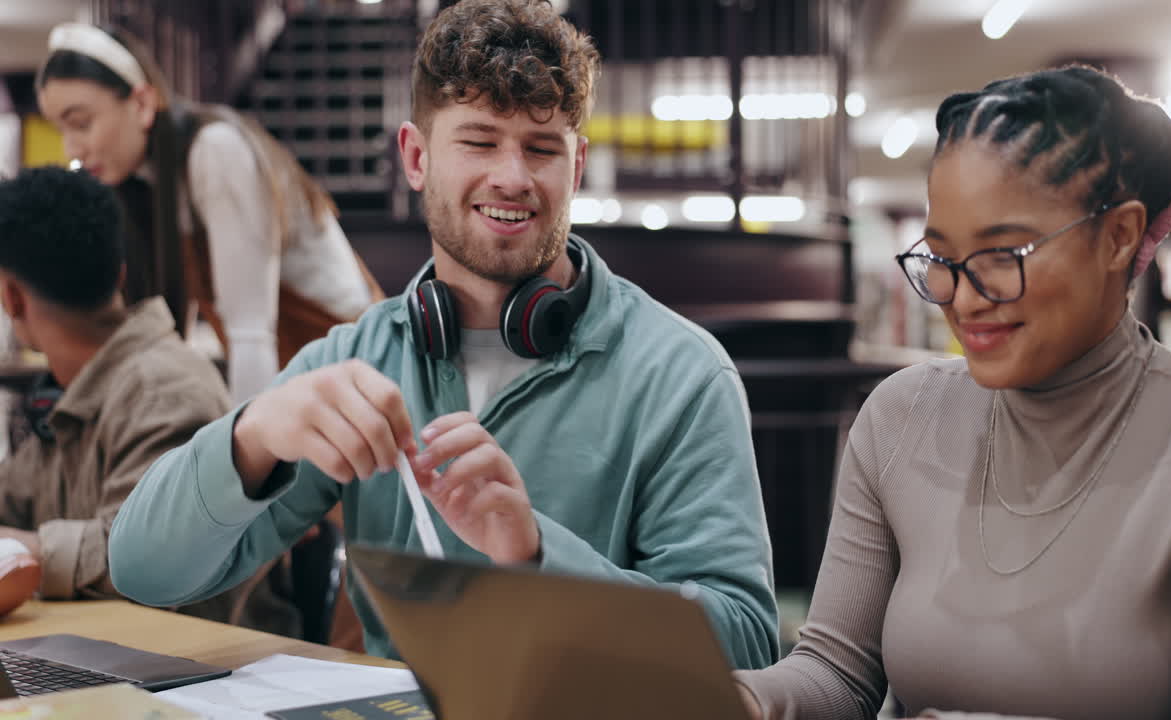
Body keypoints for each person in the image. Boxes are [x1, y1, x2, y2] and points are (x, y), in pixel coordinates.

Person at [108, 0, 779, 668]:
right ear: (417, 156)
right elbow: (143, 570)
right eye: (480, 141)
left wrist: (536, 556)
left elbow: (746, 645)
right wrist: (252, 434)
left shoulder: (682, 374)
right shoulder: (355, 358)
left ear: (575, 168)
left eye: (541, 148)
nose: (511, 178)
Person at [735, 66, 1171, 719]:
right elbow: (837, 673)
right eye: (940, 259)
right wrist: (737, 698)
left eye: (1002, 257)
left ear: (1119, 237)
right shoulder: (901, 415)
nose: (962, 300)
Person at [0, 166, 297, 634]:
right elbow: (10, 503)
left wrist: (28, 550)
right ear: (118, 274)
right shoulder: (68, 392)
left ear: (11, 299)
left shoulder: (164, 389)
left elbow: (146, 564)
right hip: (107, 657)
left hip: (201, 679)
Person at [36, 23, 382, 405]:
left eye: (81, 123)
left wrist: (249, 455)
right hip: (301, 383)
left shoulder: (216, 151)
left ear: (142, 103)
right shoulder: (143, 185)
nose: (73, 147)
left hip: (357, 369)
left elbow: (251, 334)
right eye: (62, 130)